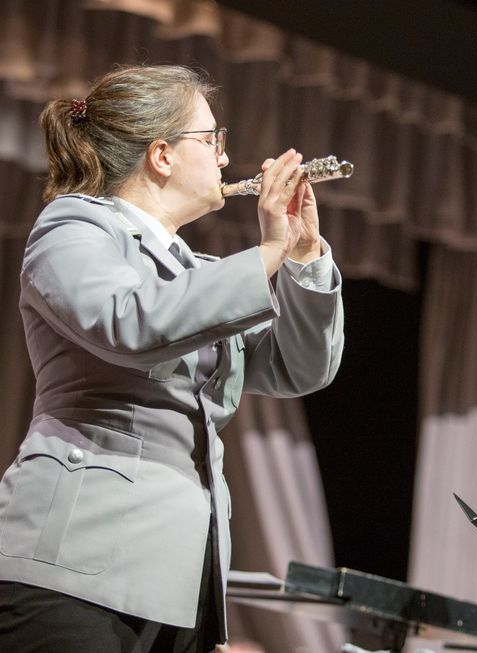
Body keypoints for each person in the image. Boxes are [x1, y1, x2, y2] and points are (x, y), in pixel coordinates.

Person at [0, 65, 344, 652]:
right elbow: (131, 323)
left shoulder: (198, 273)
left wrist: (302, 257)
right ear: (161, 154)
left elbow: (298, 368)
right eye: (212, 140)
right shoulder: (71, 229)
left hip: (178, 577)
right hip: (77, 567)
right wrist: (264, 251)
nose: (225, 159)